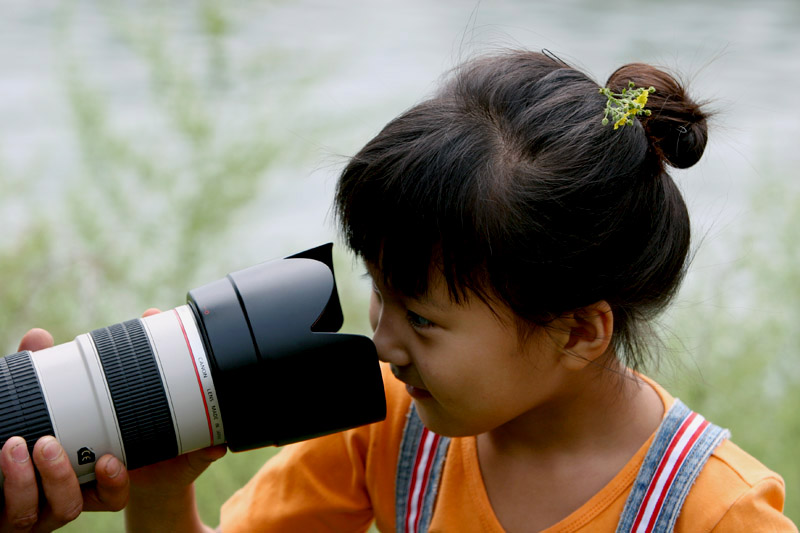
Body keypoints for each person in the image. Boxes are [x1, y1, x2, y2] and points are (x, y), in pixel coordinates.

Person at [2, 50, 796, 532]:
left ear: (580, 331)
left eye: (421, 315)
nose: (382, 339)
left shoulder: (708, 510)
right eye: (378, 292)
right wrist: (161, 482)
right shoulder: (394, 424)